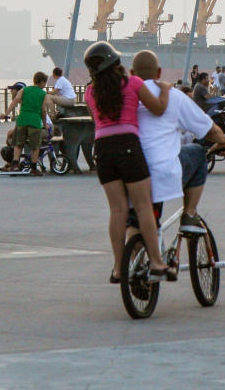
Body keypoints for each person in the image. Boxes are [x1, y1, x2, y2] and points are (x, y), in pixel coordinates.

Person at [82, 42, 173, 284]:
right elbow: (158, 109)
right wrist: (164, 89)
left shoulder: (90, 92)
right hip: (128, 146)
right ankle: (156, 261)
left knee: (117, 210)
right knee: (143, 207)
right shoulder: (133, 83)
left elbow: (97, 120)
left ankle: (118, 267)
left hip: (102, 150)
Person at [131, 50, 225, 234]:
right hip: (162, 170)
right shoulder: (174, 96)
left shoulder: (126, 98)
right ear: (159, 72)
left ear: (131, 73)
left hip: (130, 169)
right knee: (198, 153)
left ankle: (131, 259)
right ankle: (190, 213)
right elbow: (210, 130)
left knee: (134, 222)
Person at [2, 72, 50, 175]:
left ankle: (14, 165)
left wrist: (6, 113)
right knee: (35, 146)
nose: (45, 85)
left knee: (18, 144)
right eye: (45, 83)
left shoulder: (24, 90)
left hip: (22, 120)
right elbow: (43, 111)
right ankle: (33, 168)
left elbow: (15, 101)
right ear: (41, 82)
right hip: (35, 122)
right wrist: (45, 125)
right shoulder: (43, 94)